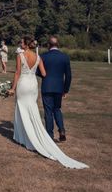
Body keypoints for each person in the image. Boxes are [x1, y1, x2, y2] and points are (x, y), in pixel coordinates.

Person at [9, 36, 87, 169]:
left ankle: (33, 136)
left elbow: (21, 72)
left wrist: (13, 86)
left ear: (26, 45)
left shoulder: (27, 55)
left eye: (21, 42)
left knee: (29, 109)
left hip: (28, 84)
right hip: (38, 86)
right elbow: (53, 74)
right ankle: (55, 131)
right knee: (43, 109)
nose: (20, 44)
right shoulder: (43, 57)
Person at [39, 36, 72, 142]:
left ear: (48, 45)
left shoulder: (43, 56)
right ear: (58, 45)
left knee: (48, 111)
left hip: (47, 86)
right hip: (59, 87)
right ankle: (62, 130)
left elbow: (39, 72)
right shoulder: (65, 57)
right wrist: (65, 89)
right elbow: (68, 75)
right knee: (57, 109)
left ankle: (49, 135)